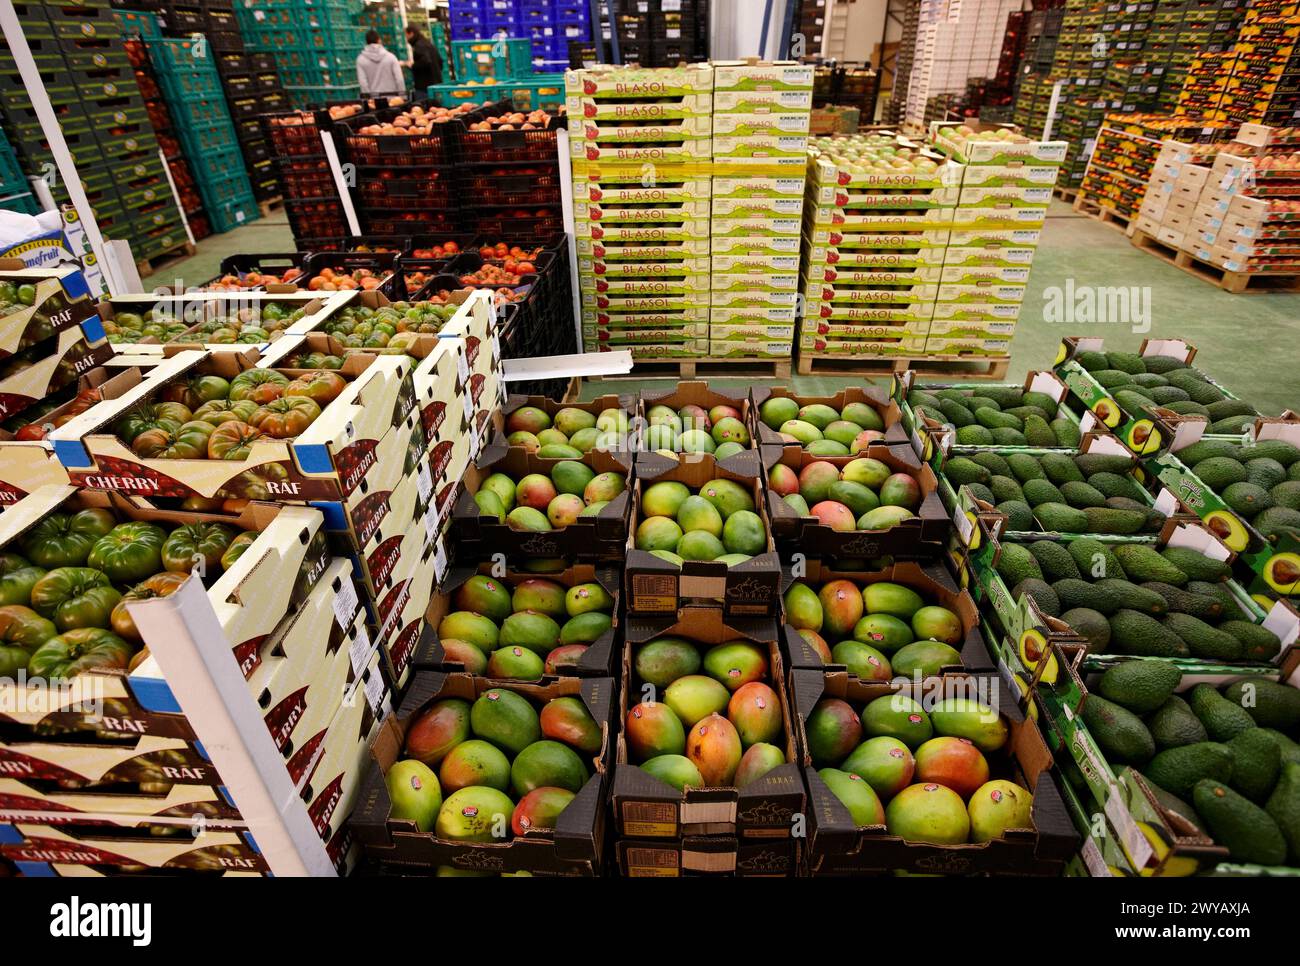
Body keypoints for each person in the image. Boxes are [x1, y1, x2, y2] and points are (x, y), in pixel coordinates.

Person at [356, 30, 405, 97]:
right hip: (393, 99)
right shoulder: (391, 57)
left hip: (374, 101)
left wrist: (369, 100)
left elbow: (363, 84)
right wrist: (402, 97)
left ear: (366, 42)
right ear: (379, 40)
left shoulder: (360, 60)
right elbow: (399, 80)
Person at [405, 26, 442, 91]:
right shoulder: (428, 43)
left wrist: (412, 66)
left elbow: (426, 61)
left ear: (411, 34)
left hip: (424, 86)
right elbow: (440, 60)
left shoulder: (418, 45)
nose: (406, 38)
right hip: (436, 83)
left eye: (406, 35)